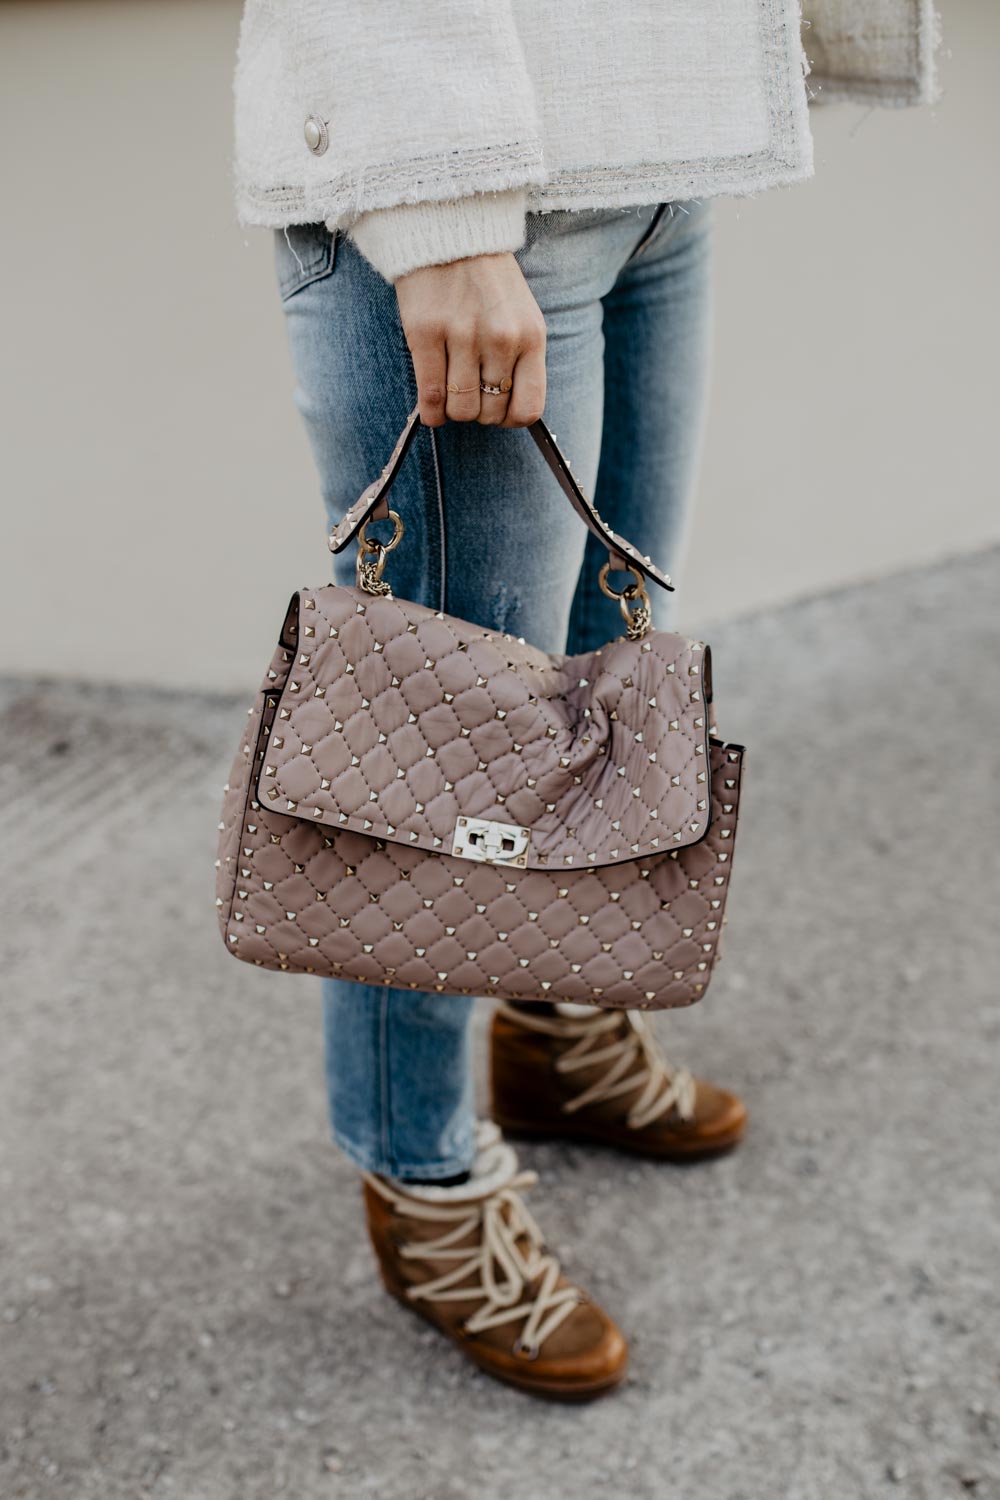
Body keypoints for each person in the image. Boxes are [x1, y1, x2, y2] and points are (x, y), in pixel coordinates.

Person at [232, 1, 937, 1400]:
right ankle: (420, 1177)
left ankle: (558, 1023)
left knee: (614, 681)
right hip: (473, 193)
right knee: (438, 748)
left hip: (658, 145)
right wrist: (436, 208)